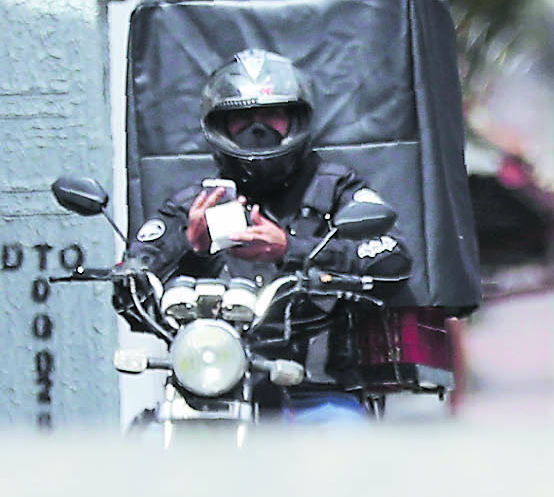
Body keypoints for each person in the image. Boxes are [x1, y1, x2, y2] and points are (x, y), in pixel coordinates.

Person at [124, 50, 413, 424]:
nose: (256, 130)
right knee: (145, 447)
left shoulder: (336, 187)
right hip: (206, 389)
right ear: (220, 126)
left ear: (295, 119)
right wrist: (193, 250)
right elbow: (133, 276)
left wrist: (290, 250)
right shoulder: (193, 204)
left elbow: (393, 258)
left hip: (316, 389)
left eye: (271, 116)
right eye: (242, 118)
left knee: (348, 455)